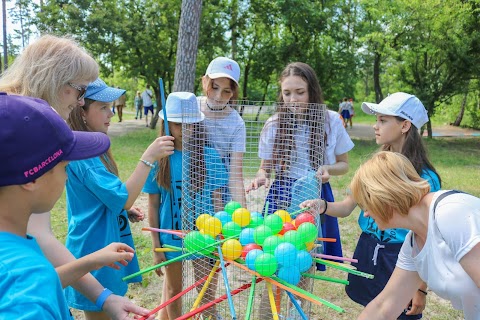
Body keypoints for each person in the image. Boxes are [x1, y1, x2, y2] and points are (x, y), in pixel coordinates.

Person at [0, 34, 153, 319]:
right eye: (80, 89)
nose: (81, 100)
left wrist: (104, 296)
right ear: (54, 81)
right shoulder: (19, 134)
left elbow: (40, 234)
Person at [301, 92, 441, 319]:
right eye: (377, 120)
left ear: (405, 125)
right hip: (368, 249)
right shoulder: (373, 167)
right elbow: (347, 207)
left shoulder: (424, 179)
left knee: (400, 313)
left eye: (383, 121)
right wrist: (323, 206)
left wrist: (420, 287)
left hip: (401, 257)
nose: (376, 127)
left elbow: (427, 237)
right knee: (373, 308)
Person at [65, 79, 175, 319]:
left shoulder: (93, 149)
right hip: (94, 249)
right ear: (81, 112)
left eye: (111, 106)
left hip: (106, 243)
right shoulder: (84, 158)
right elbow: (122, 197)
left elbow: (110, 200)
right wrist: (148, 158)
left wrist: (121, 212)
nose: (111, 113)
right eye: (103, 107)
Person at [349, 152, 480, 319]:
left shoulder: (451, 213)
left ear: (383, 196)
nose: (365, 213)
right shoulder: (414, 243)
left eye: (365, 204)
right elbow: (384, 306)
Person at [248, 62, 353, 259]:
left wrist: (326, 168)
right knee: (275, 255)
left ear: (312, 92)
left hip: (315, 193)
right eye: (287, 93)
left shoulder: (331, 120)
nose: (293, 99)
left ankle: (298, 291)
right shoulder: (274, 124)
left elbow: (344, 165)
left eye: (300, 92)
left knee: (306, 258)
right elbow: (264, 169)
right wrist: (261, 176)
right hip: (281, 194)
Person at [143, 92, 228, 319]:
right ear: (167, 123)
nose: (183, 128)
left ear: (198, 124)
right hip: (171, 239)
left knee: (206, 292)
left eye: (189, 123)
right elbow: (152, 206)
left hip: (205, 237)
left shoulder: (209, 156)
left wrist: (220, 232)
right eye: (177, 123)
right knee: (174, 291)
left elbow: (218, 201)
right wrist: (155, 245)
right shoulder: (160, 159)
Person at [197, 56, 247, 207]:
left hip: (219, 187)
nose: (219, 96)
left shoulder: (237, 124)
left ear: (233, 93)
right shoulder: (190, 106)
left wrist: (243, 213)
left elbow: (235, 175)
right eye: (215, 87)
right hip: (191, 180)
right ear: (204, 81)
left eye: (226, 91)